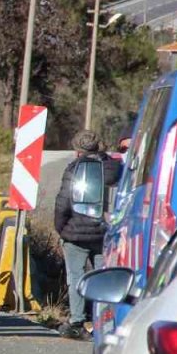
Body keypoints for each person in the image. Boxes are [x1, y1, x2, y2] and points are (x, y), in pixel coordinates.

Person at [54, 129, 122, 341]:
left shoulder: (74, 169)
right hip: (104, 232)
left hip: (75, 233)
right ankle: (104, 321)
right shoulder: (114, 168)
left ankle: (77, 321)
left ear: (77, 150)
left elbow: (63, 203)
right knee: (102, 278)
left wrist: (61, 228)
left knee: (76, 276)